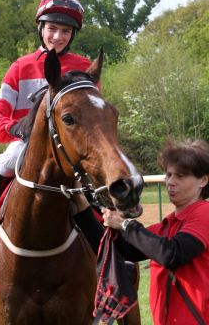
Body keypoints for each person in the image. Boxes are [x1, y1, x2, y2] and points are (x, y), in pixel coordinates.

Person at [0, 0, 97, 240]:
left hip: (71, 144)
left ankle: (107, 227)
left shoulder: (83, 67)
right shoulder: (20, 67)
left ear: (72, 36)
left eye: (65, 31)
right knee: (12, 156)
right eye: (52, 28)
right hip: (28, 144)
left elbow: (93, 116)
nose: (57, 37)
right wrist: (12, 128)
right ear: (41, 28)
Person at [73, 138, 209, 324]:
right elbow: (117, 249)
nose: (170, 182)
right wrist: (82, 208)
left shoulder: (204, 213)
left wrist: (125, 225)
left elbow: (172, 254)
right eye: (168, 175)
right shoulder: (168, 225)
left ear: (203, 180)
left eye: (181, 176)